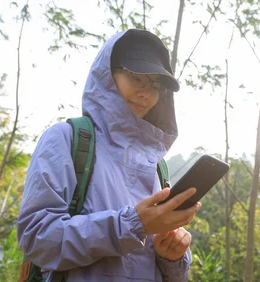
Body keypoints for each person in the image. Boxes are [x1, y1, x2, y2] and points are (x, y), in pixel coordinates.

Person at [17, 29, 200, 282]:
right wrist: (133, 225)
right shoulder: (67, 139)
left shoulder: (157, 165)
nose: (146, 93)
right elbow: (37, 239)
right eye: (137, 77)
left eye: (156, 85)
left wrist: (173, 257)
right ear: (107, 75)